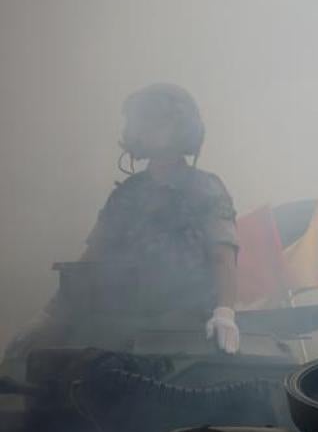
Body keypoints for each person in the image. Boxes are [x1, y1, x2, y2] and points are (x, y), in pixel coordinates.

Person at [4, 84, 240, 362]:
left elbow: (223, 256)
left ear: (180, 128)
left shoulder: (205, 188)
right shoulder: (126, 194)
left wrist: (224, 313)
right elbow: (90, 261)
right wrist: (49, 315)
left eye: (155, 120)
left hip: (186, 331)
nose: (144, 128)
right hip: (126, 330)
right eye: (142, 121)